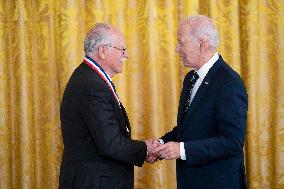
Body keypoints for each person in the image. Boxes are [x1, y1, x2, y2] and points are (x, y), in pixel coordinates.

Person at [152, 15, 248, 189]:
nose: (176, 49)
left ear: (202, 44)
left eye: (181, 43)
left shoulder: (229, 83)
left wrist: (181, 150)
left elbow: (232, 142)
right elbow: (188, 128)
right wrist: (160, 144)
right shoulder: (190, 78)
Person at [59, 23, 156, 189]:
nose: (126, 55)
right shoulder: (91, 85)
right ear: (103, 51)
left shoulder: (89, 78)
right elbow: (110, 144)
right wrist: (145, 149)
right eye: (122, 50)